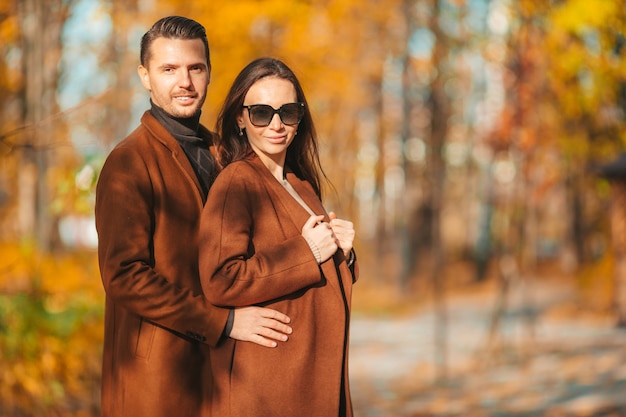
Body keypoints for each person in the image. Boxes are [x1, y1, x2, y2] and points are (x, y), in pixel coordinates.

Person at [95, 17, 293, 417]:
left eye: (194, 68)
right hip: (157, 383)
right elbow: (124, 275)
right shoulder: (128, 163)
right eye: (168, 69)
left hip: (225, 378)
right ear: (145, 77)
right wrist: (222, 322)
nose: (184, 81)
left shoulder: (226, 154)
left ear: (208, 73)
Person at [198, 57, 358, 417]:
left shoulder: (301, 183)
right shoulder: (237, 182)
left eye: (287, 112)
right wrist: (307, 251)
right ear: (240, 118)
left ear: (299, 118)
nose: (275, 124)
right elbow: (220, 279)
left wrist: (343, 255)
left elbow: (317, 269)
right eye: (260, 113)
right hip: (268, 387)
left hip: (311, 377)